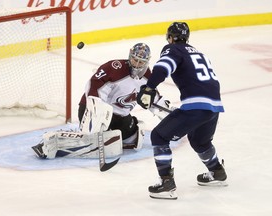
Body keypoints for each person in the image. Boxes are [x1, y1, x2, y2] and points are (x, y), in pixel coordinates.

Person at [137, 22, 227, 200]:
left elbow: (163, 68)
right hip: (214, 106)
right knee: (200, 141)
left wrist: (149, 89)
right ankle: (217, 172)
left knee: (159, 136)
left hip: (196, 105)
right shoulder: (199, 53)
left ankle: (166, 183)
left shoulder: (173, 49)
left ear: (170, 37)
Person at [32, 43, 169, 160]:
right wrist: (99, 110)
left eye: (141, 62)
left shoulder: (148, 77)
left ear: (147, 62)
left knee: (133, 140)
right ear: (130, 55)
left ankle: (98, 136)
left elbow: (153, 99)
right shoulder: (115, 68)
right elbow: (94, 84)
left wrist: (172, 117)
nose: (137, 64)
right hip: (93, 109)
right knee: (90, 140)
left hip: (120, 116)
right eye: (135, 59)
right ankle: (53, 140)